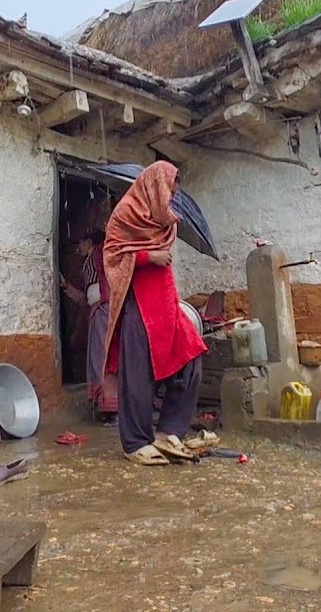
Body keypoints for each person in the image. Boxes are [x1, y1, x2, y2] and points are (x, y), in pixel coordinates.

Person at [102, 161, 207, 466]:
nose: (170, 198)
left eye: (172, 194)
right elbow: (112, 254)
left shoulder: (165, 220)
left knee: (190, 358)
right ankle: (136, 443)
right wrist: (148, 256)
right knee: (137, 375)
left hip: (165, 301)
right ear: (155, 186)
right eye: (168, 191)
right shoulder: (126, 213)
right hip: (138, 303)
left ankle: (169, 432)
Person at [60, 230, 117, 423]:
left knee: (104, 358)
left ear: (90, 242)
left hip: (104, 309)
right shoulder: (90, 264)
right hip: (96, 311)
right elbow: (85, 300)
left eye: (81, 242)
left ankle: (111, 407)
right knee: (97, 358)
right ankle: (103, 404)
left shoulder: (100, 253)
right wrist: (66, 287)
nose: (78, 248)